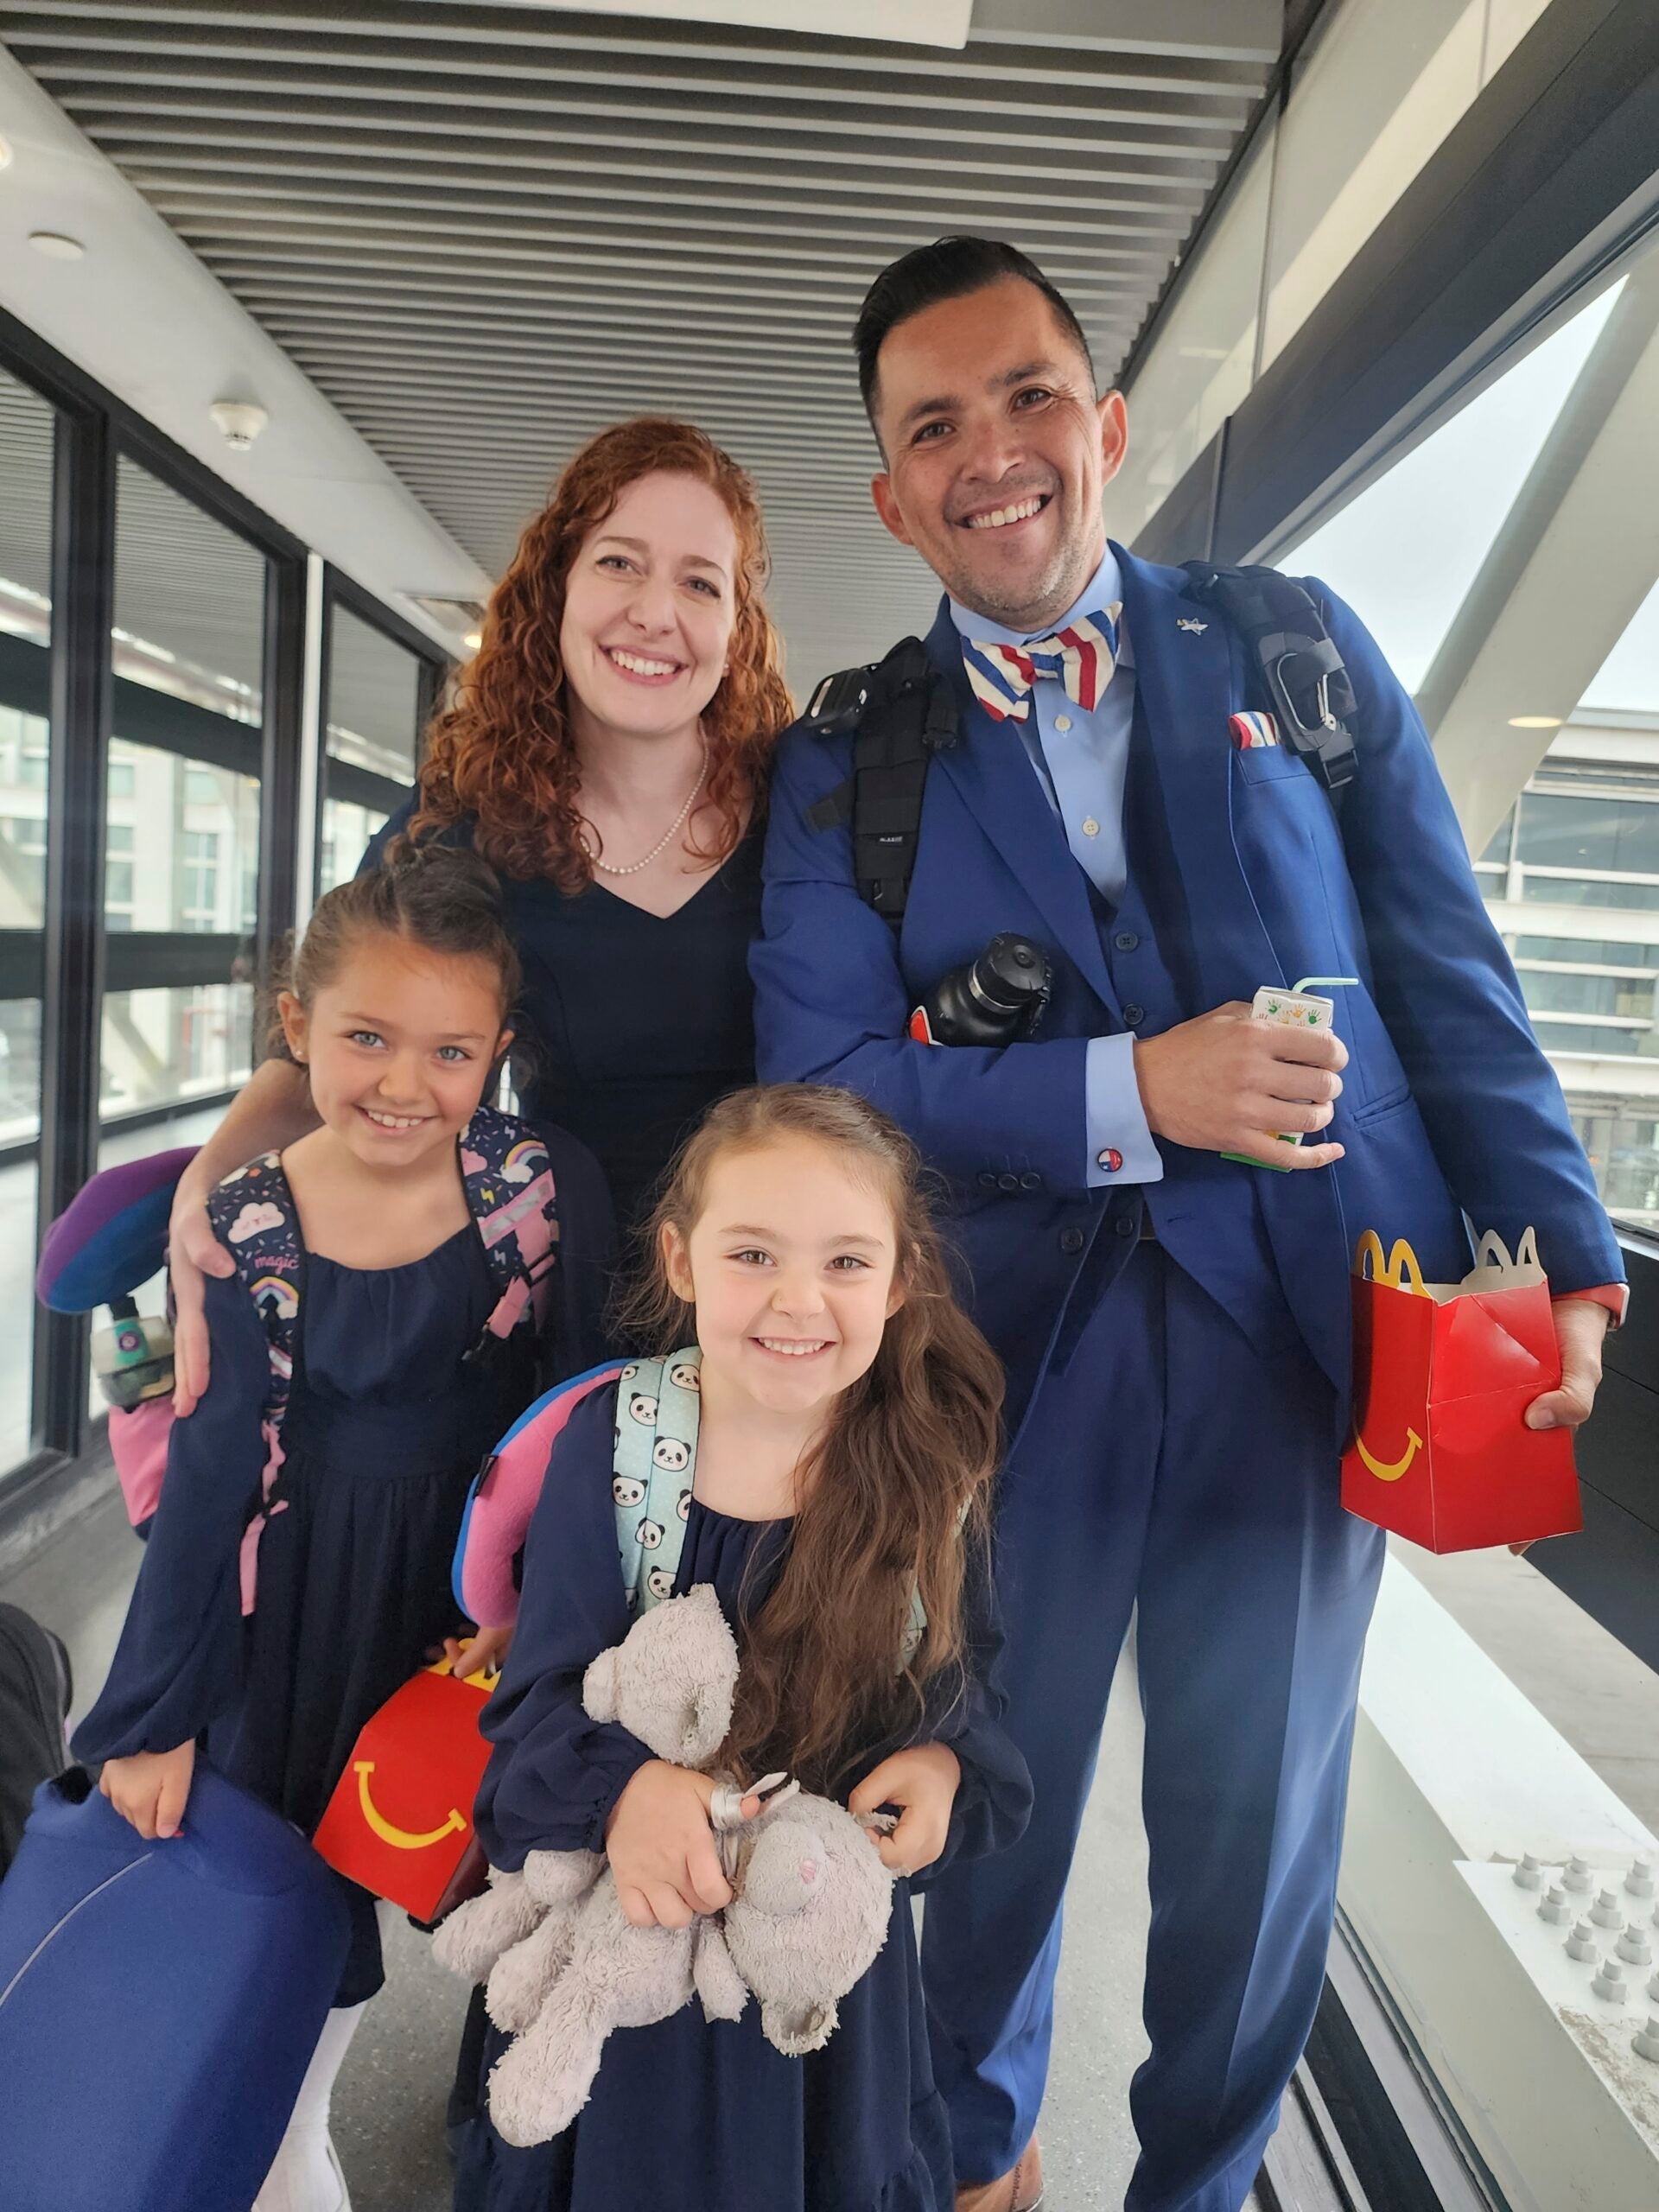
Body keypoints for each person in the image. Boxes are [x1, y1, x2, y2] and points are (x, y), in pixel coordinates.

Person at [751, 237, 1628, 2212]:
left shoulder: (1299, 654)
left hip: (1307, 1342)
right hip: (1001, 1379)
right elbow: (819, 1087)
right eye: (935, 427)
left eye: (1028, 394)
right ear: (891, 495)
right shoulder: (845, 766)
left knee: (1259, 1833)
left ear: (1108, 421)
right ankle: (973, 2157)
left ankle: (1207, 2180)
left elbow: (1447, 970)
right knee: (980, 1804)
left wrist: (1563, 1240)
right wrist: (1123, 1091)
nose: (993, 453)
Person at [74, 846, 613, 2212]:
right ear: (295, 1023)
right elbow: (209, 1479)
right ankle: (286, 2137)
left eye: (449, 1051)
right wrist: (154, 1710)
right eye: (365, 1037)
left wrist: (554, 1604)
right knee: (281, 1871)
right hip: (295, 1584)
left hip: (464, 1596)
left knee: (440, 1862)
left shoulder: (538, 1189)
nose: (401, 1084)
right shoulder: (249, 1221)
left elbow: (585, 1403)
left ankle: (435, 2134)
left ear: (498, 1053)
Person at [453, 1084, 1033, 2212]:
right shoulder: (613, 1451)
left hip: (816, 1977)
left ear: (902, 1279)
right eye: (753, 1253)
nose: (798, 1300)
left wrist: (945, 1766)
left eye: (848, 1263)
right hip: (627, 1961)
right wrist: (626, 1795)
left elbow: (969, 1686)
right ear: (681, 1260)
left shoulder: (930, 1470)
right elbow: (532, 1712)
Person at [164, 417, 794, 1417]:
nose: (653, 612)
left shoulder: (806, 811)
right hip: (558, 1288)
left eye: (699, 582)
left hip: (782, 1297)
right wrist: (209, 1189)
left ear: (738, 625)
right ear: (555, 592)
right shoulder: (469, 820)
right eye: (619, 563)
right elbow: (333, 1035)